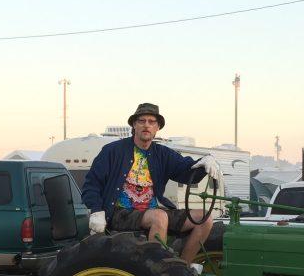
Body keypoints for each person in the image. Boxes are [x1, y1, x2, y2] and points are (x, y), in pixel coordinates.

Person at [81, 102, 221, 263]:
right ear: (134, 125)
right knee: (159, 217)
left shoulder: (162, 154)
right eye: (141, 121)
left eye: (151, 121)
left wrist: (204, 162)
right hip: (120, 213)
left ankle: (184, 266)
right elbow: (92, 184)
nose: (146, 125)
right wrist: (96, 211)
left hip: (152, 210)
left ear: (157, 127)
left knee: (205, 218)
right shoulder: (113, 151)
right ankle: (156, 269)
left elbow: (186, 171)